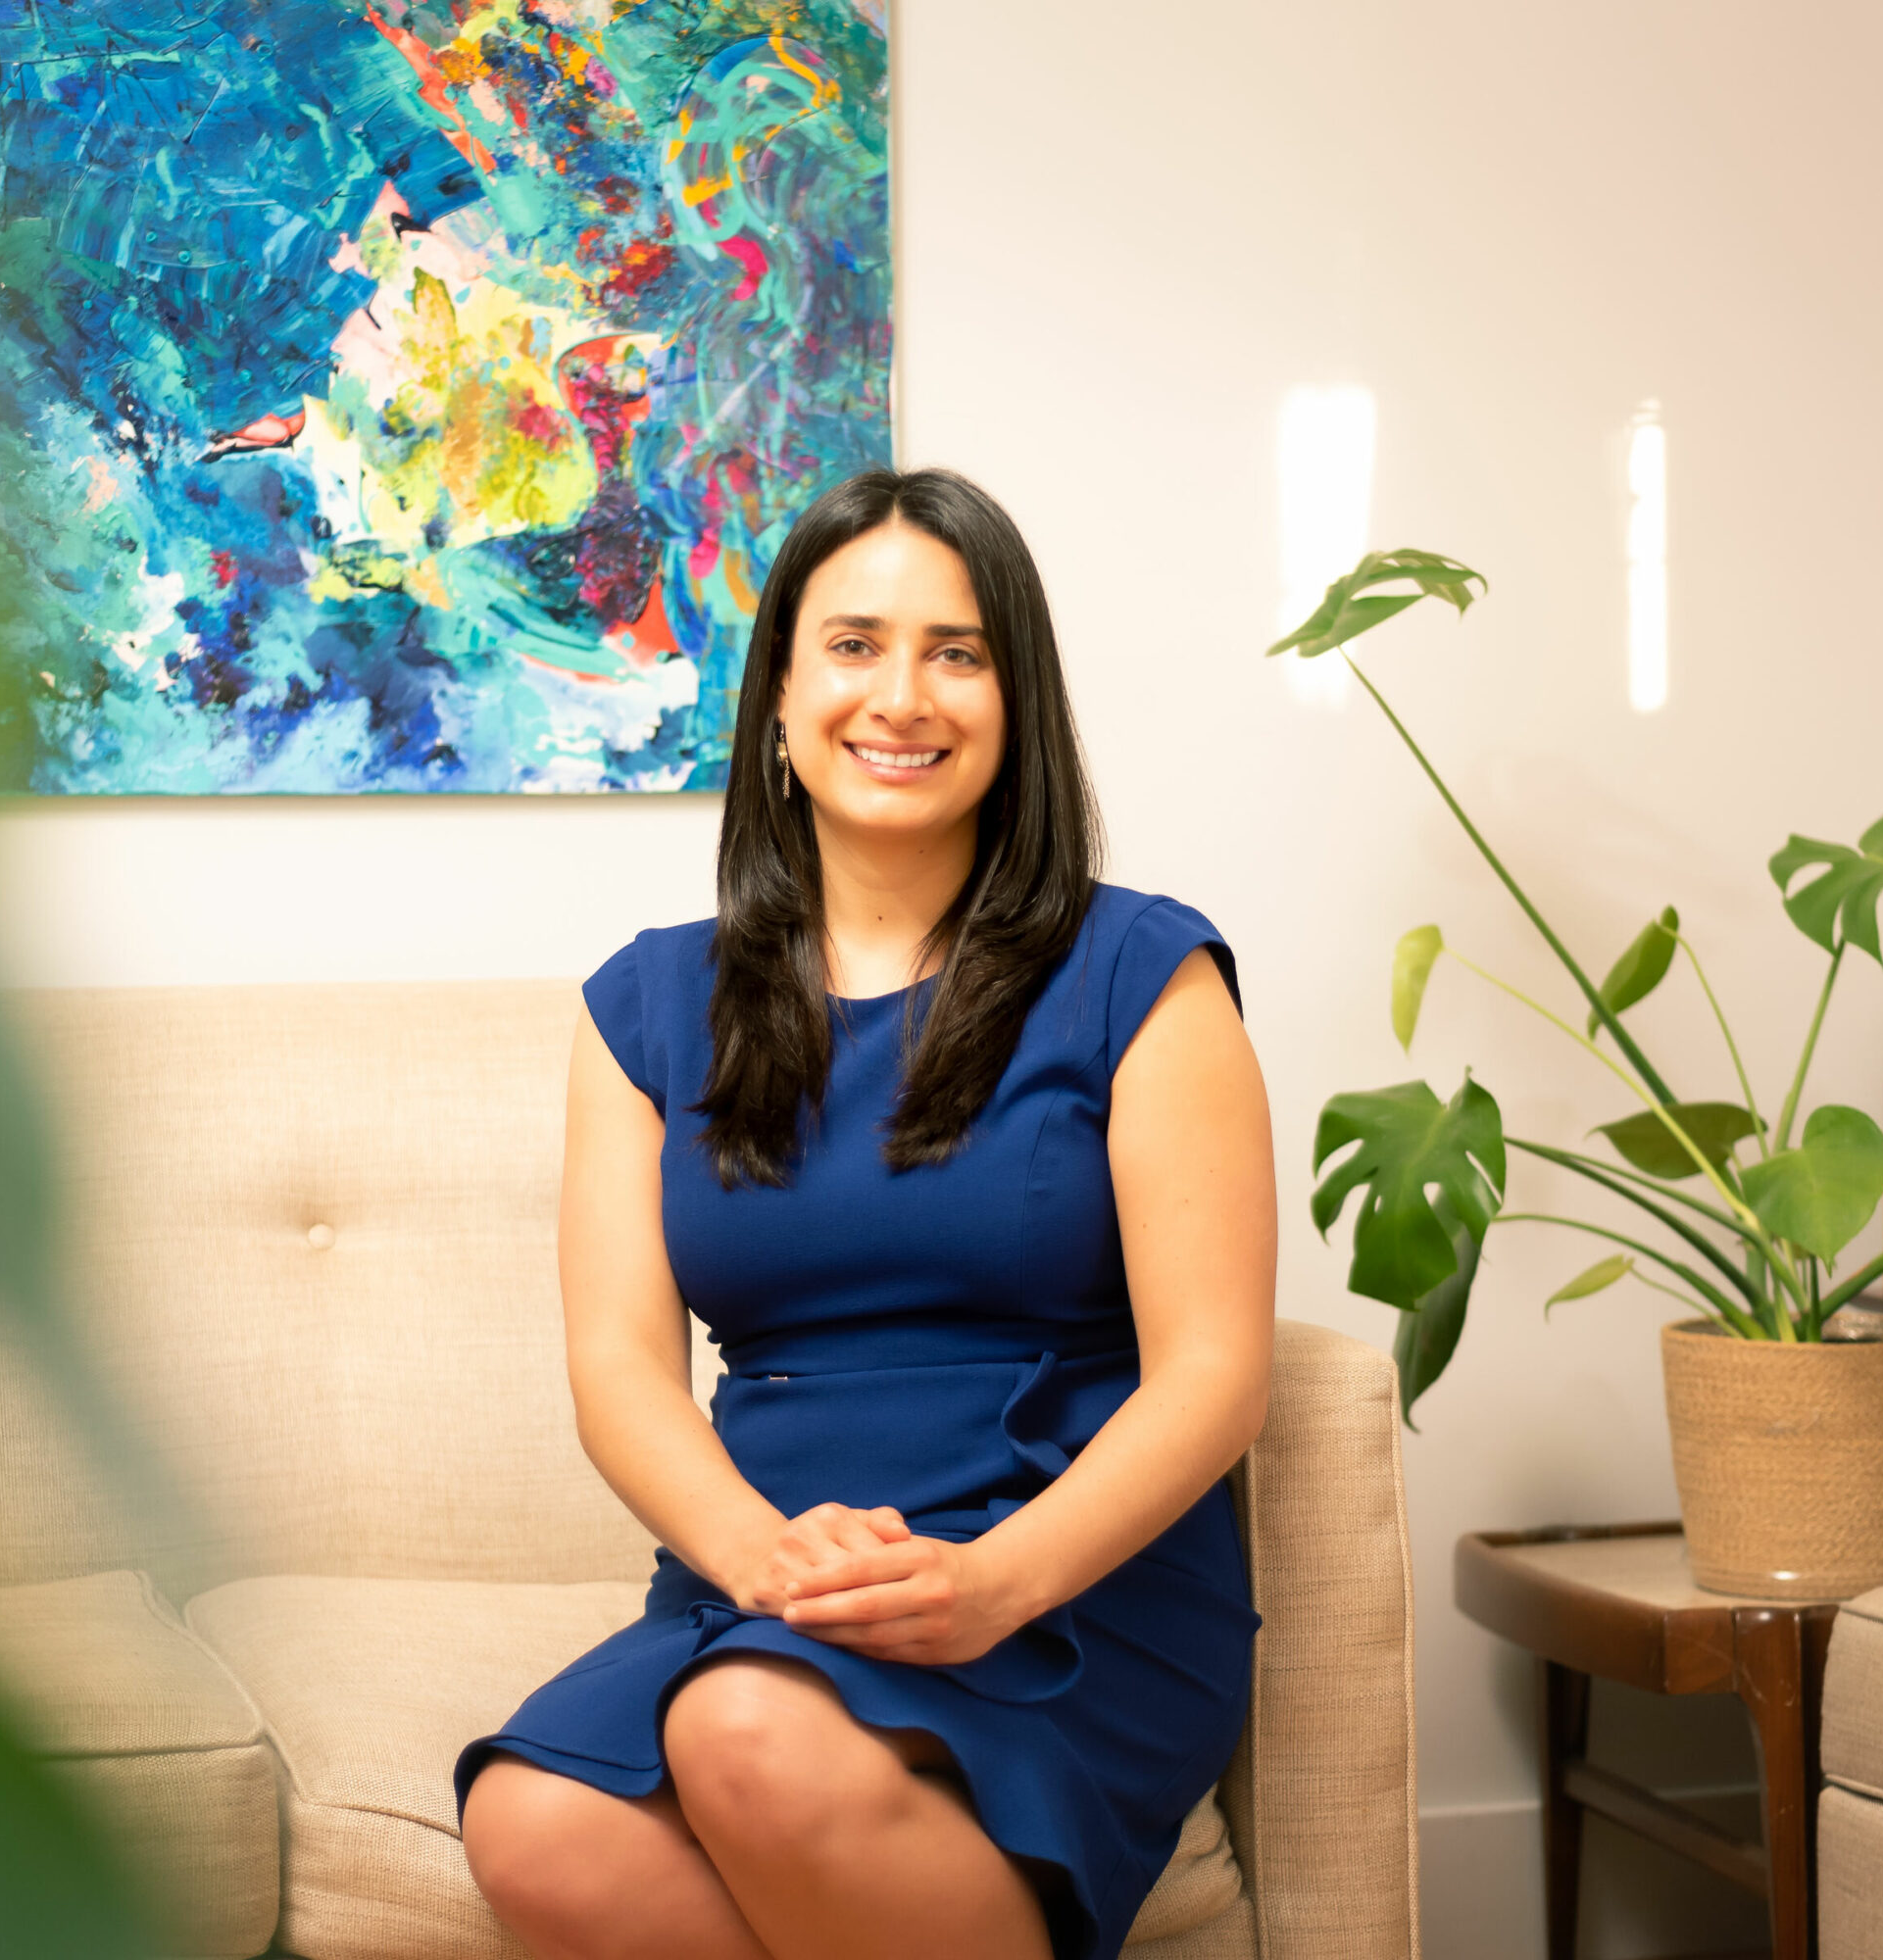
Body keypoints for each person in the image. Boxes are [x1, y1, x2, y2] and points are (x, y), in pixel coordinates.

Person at [455, 466, 1277, 1960]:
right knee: (534, 1823)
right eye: (853, 646)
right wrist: (764, 1561)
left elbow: (1216, 1373)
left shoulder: (1144, 975)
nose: (903, 695)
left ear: (1015, 703)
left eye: (957, 653)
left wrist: (991, 1583)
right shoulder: (645, 1004)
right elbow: (621, 1371)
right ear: (777, 697)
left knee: (748, 1731)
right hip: (769, 1562)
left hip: (1063, 1580)